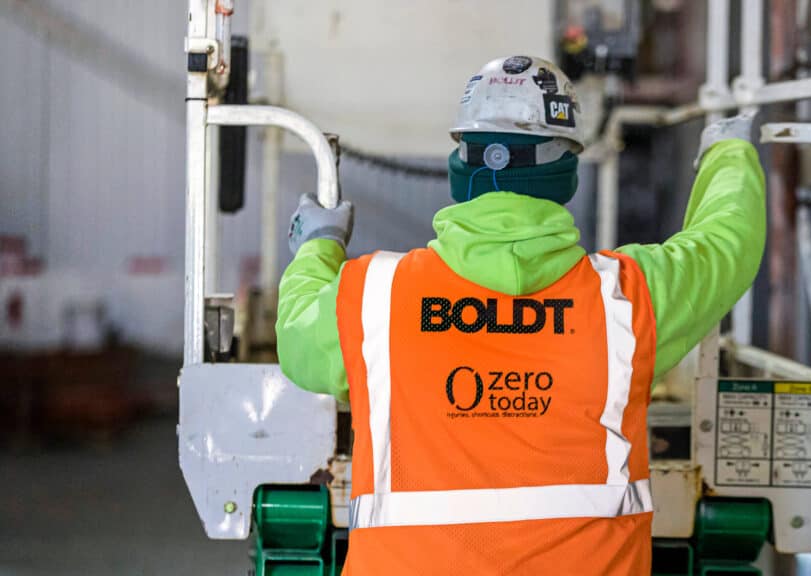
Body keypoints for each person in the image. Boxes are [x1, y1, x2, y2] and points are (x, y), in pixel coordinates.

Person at [276, 55, 765, 575]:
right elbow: (726, 244)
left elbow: (298, 336)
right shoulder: (625, 299)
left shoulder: (377, 295)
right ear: (565, 173)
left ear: (461, 165)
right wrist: (727, 153)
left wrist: (319, 244)